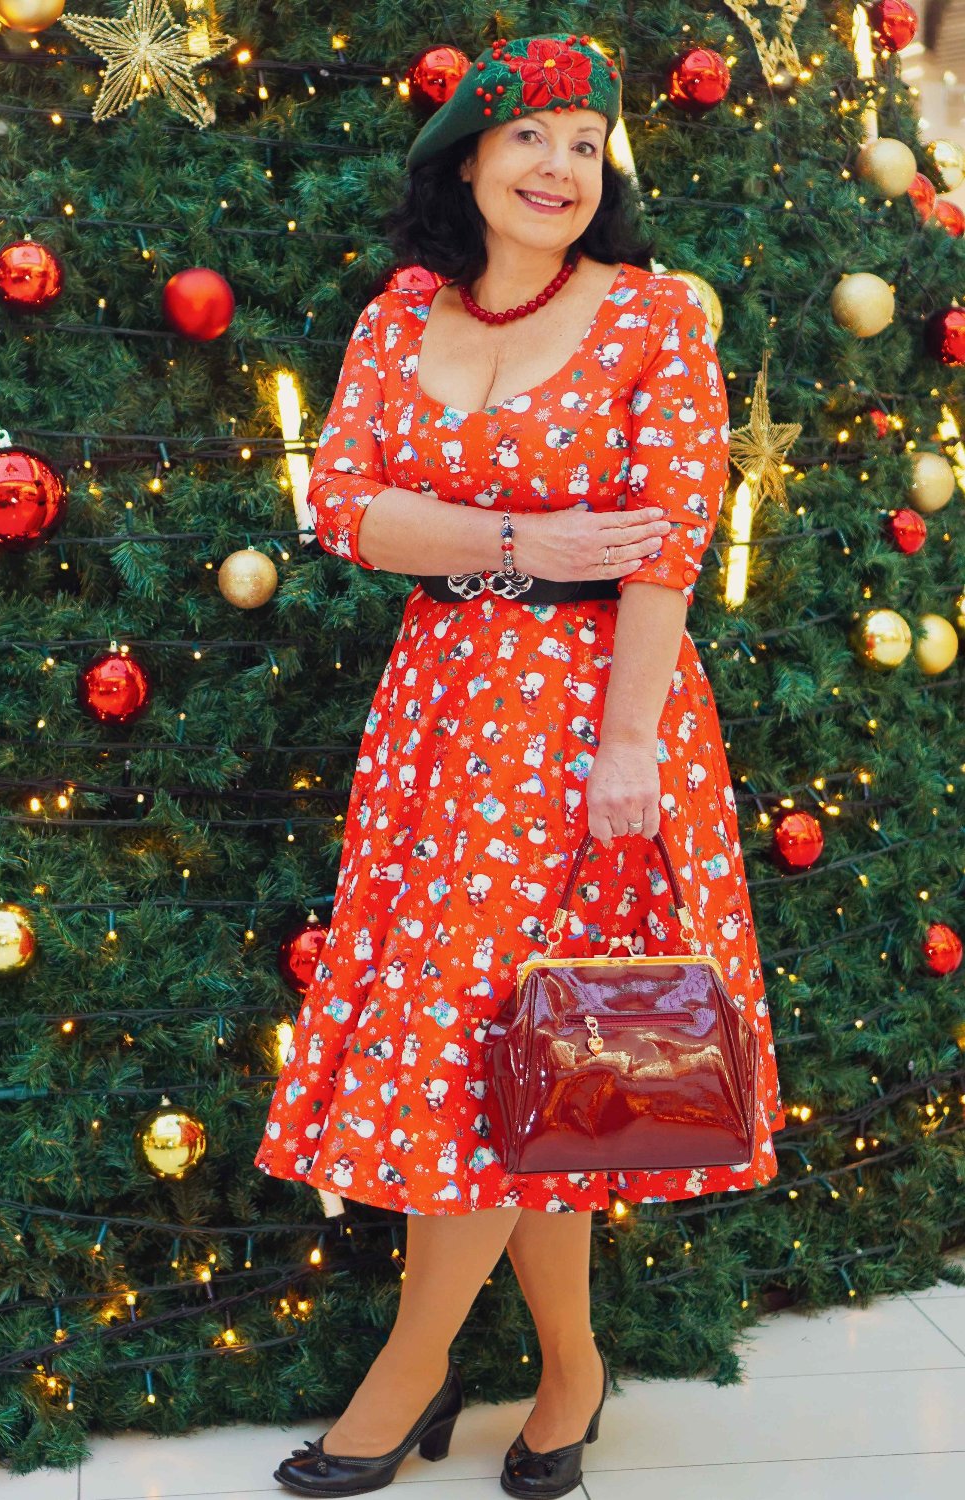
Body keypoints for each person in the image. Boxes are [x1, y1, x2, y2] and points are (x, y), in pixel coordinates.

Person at [258, 31, 785, 1499]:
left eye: (582, 143)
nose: (559, 167)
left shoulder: (653, 316)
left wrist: (629, 753)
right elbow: (346, 510)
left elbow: (667, 542)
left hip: (598, 720)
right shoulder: (397, 315)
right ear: (469, 163)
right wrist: (520, 543)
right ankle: (568, 1368)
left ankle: (411, 1371)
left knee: (547, 1049)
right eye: (529, 139)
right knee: (497, 1058)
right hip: (441, 721)